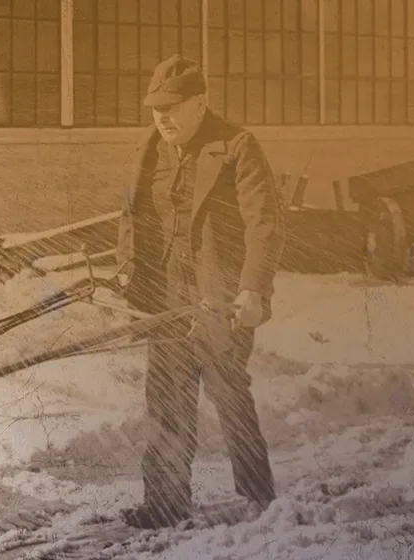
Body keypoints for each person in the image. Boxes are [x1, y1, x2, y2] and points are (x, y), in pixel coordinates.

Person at [114, 54, 286, 530]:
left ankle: (257, 495)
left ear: (200, 103)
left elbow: (265, 225)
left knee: (229, 394)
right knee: (166, 399)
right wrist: (127, 276)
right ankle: (166, 504)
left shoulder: (236, 147)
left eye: (172, 107)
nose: (162, 117)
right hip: (165, 298)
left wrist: (252, 289)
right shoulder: (149, 147)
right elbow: (131, 216)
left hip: (219, 300)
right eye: (155, 108)